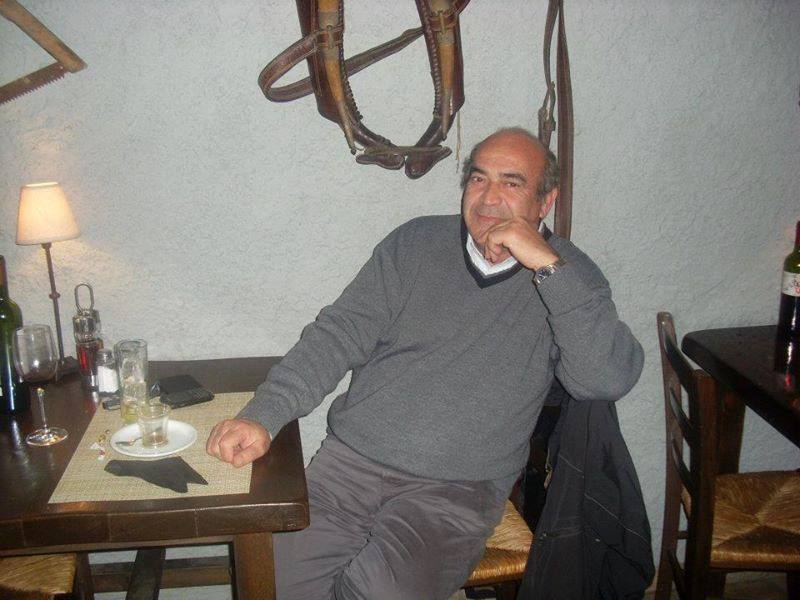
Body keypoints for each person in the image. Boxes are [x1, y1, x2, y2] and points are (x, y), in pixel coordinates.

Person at [206, 127, 644, 599]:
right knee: (268, 584)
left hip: (455, 494)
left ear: (546, 201)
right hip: (347, 468)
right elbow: (338, 334)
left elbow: (603, 379)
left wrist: (549, 268)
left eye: (511, 183)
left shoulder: (569, 277)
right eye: (478, 179)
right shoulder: (415, 243)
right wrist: (264, 414)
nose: (488, 197)